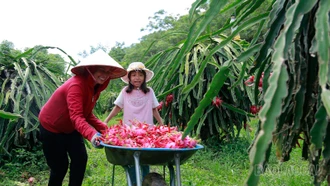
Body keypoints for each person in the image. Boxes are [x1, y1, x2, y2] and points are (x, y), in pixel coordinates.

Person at [38, 50, 127, 186]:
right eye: (101, 70)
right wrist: (92, 135)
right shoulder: (76, 85)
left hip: (71, 127)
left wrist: (105, 129)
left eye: (108, 72)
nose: (104, 75)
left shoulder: (95, 87)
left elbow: (86, 113)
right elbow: (77, 116)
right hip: (52, 128)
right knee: (60, 167)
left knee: (80, 160)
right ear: (91, 69)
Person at [104, 62, 163, 185]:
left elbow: (154, 109)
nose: (137, 78)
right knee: (130, 159)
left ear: (144, 78)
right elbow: (117, 107)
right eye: (134, 75)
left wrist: (161, 123)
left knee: (145, 158)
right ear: (129, 78)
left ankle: (145, 182)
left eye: (140, 75)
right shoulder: (125, 91)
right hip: (129, 132)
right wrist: (106, 120)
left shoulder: (149, 92)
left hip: (147, 131)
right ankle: (133, 183)